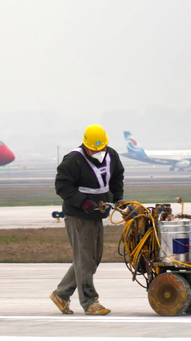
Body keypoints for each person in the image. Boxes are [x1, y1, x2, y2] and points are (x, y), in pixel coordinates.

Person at [51, 124, 125, 316]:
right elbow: (62, 186)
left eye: (101, 148)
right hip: (78, 215)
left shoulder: (112, 156)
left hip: (97, 214)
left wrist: (118, 198)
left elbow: (117, 178)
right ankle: (90, 302)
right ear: (86, 146)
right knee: (85, 260)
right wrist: (82, 202)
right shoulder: (73, 160)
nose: (98, 151)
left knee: (92, 259)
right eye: (94, 149)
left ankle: (61, 294)